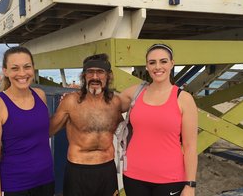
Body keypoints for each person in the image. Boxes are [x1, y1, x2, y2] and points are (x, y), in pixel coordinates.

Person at [118, 44, 198, 196]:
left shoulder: (183, 99)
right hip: (133, 175)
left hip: (170, 179)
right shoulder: (135, 92)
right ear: (147, 66)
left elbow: (190, 146)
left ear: (172, 64)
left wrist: (190, 185)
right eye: (152, 62)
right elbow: (106, 106)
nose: (158, 67)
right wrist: (77, 97)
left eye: (163, 61)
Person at [0, 46, 55, 196]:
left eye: (27, 67)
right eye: (15, 68)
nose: (22, 73)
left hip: (46, 179)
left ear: (33, 69)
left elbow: (41, 133)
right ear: (5, 71)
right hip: (16, 185)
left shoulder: (40, 95)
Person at [50, 54, 122, 196]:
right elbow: (48, 130)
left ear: (108, 76)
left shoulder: (116, 103)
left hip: (107, 170)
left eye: (100, 72)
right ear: (84, 76)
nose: (95, 77)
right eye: (90, 72)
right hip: (78, 171)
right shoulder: (70, 101)